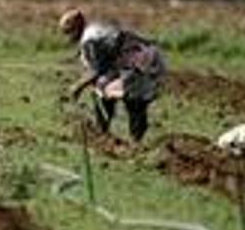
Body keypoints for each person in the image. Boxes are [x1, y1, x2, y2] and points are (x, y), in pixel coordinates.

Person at [59, 9, 166, 142]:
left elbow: (98, 69)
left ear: (76, 28)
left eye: (68, 32)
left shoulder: (90, 39)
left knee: (134, 101)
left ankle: (135, 141)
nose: (68, 37)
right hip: (131, 60)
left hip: (139, 61)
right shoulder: (93, 31)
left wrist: (77, 87)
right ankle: (103, 134)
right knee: (103, 91)